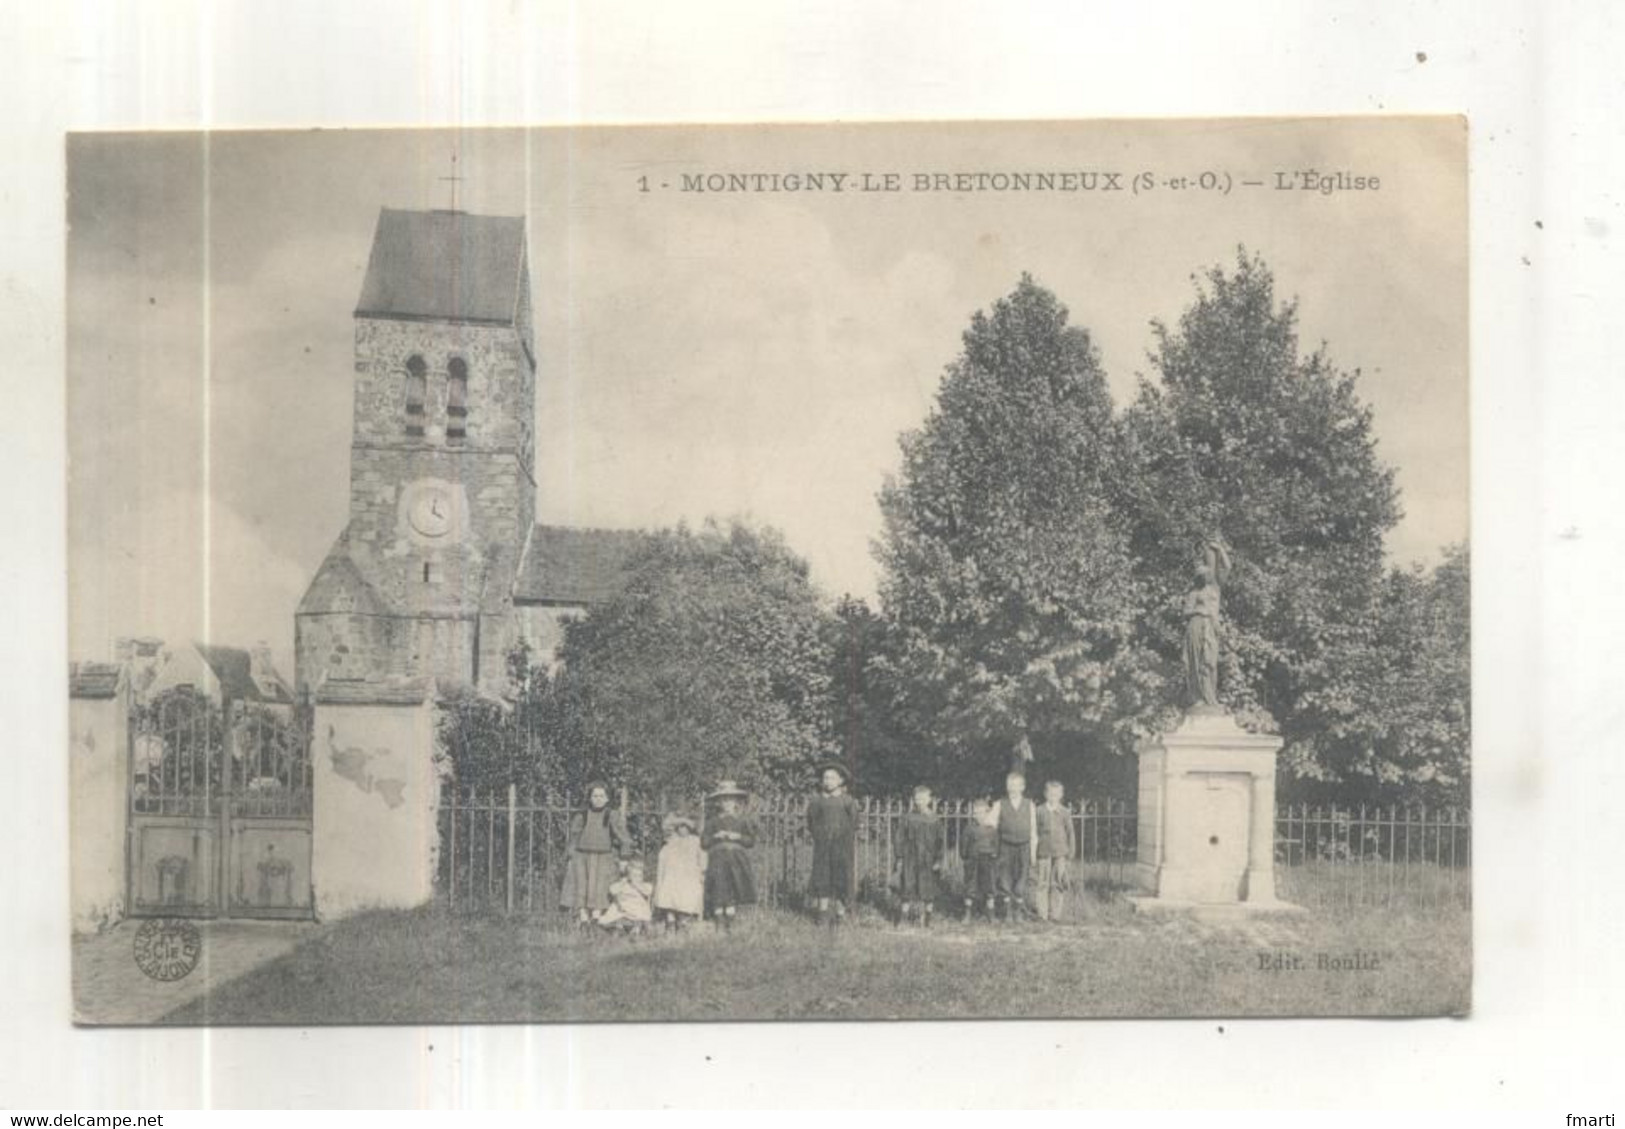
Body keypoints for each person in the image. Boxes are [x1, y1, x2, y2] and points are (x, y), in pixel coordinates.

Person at [559, 781, 631, 926]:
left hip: (604, 857)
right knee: (581, 886)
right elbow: (574, 836)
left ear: (607, 798)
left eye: (601, 796)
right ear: (590, 798)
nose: (598, 799)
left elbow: (624, 837)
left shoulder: (612, 815)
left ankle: (597, 917)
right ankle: (583, 917)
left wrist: (624, 857)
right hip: (582, 857)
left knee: (600, 888)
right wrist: (570, 856)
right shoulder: (583, 815)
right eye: (595, 796)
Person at [807, 761, 859, 927]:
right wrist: (820, 836)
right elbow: (811, 822)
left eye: (832, 778)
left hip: (842, 847)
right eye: (825, 778)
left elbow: (854, 823)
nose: (828, 781)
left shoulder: (847, 801)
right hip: (823, 846)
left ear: (840, 781)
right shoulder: (817, 801)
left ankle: (840, 915)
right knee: (823, 878)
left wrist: (843, 837)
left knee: (841, 878)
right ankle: (822, 915)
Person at [702, 781, 757, 931]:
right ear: (719, 802)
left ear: (736, 801)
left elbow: (751, 841)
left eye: (730, 799)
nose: (727, 803)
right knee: (720, 888)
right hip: (718, 860)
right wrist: (716, 836)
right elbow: (704, 842)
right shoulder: (713, 821)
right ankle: (719, 922)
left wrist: (737, 836)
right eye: (724, 800)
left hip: (736, 860)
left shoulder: (742, 820)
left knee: (733, 887)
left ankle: (730, 922)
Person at [895, 783, 946, 927]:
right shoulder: (908, 817)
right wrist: (899, 856)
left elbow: (940, 842)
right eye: (917, 799)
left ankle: (927, 920)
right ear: (913, 800)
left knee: (928, 890)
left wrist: (938, 859)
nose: (920, 802)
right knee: (908, 887)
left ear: (929, 799)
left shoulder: (935, 819)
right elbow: (899, 837)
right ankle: (903, 919)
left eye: (923, 799)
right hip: (910, 858)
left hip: (928, 859)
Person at [994, 771, 1038, 922]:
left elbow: (1033, 830)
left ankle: (1018, 912)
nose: (1012, 789)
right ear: (1006, 787)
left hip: (1024, 846)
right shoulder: (1000, 804)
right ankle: (1007, 914)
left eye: (1016, 786)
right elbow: (991, 825)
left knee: (1021, 879)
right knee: (1004, 879)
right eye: (1009, 786)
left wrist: (1033, 853)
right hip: (1005, 846)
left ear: (1022, 787)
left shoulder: (1029, 804)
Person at [654, 812, 706, 932]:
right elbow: (663, 860)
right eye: (680, 827)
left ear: (689, 828)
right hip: (673, 875)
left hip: (689, 875)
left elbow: (702, 857)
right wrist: (677, 820)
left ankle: (683, 920)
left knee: (687, 895)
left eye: (685, 827)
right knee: (669, 893)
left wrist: (702, 871)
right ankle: (670, 921)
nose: (683, 830)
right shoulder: (672, 841)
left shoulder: (695, 841)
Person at [1034, 780, 1076, 922]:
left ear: (1061, 795)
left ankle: (1055, 914)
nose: (1053, 797)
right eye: (1051, 794)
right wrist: (1034, 852)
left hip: (1060, 853)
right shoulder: (1039, 811)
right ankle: (1042, 914)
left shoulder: (1064, 812)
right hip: (1044, 852)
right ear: (1046, 794)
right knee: (1042, 883)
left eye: (1057, 794)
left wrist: (1070, 853)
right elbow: (1035, 833)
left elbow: (1070, 833)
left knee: (1057, 883)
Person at [960, 797, 999, 922]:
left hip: (987, 861)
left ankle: (991, 914)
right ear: (973, 814)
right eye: (976, 813)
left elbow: (996, 845)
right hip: (973, 861)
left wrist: (993, 854)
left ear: (987, 813)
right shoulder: (969, 829)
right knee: (970, 887)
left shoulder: (992, 829)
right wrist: (966, 858)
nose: (979, 816)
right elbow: (963, 847)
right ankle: (967, 914)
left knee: (989, 887)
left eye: (982, 812)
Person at [598, 858, 654, 936]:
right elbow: (612, 890)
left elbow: (648, 891)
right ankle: (620, 928)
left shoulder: (645, 886)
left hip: (637, 911)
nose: (637, 878)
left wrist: (636, 884)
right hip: (622, 911)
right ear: (628, 876)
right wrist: (623, 882)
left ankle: (636, 928)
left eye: (640, 876)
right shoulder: (625, 885)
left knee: (643, 919)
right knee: (610, 920)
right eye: (634, 875)